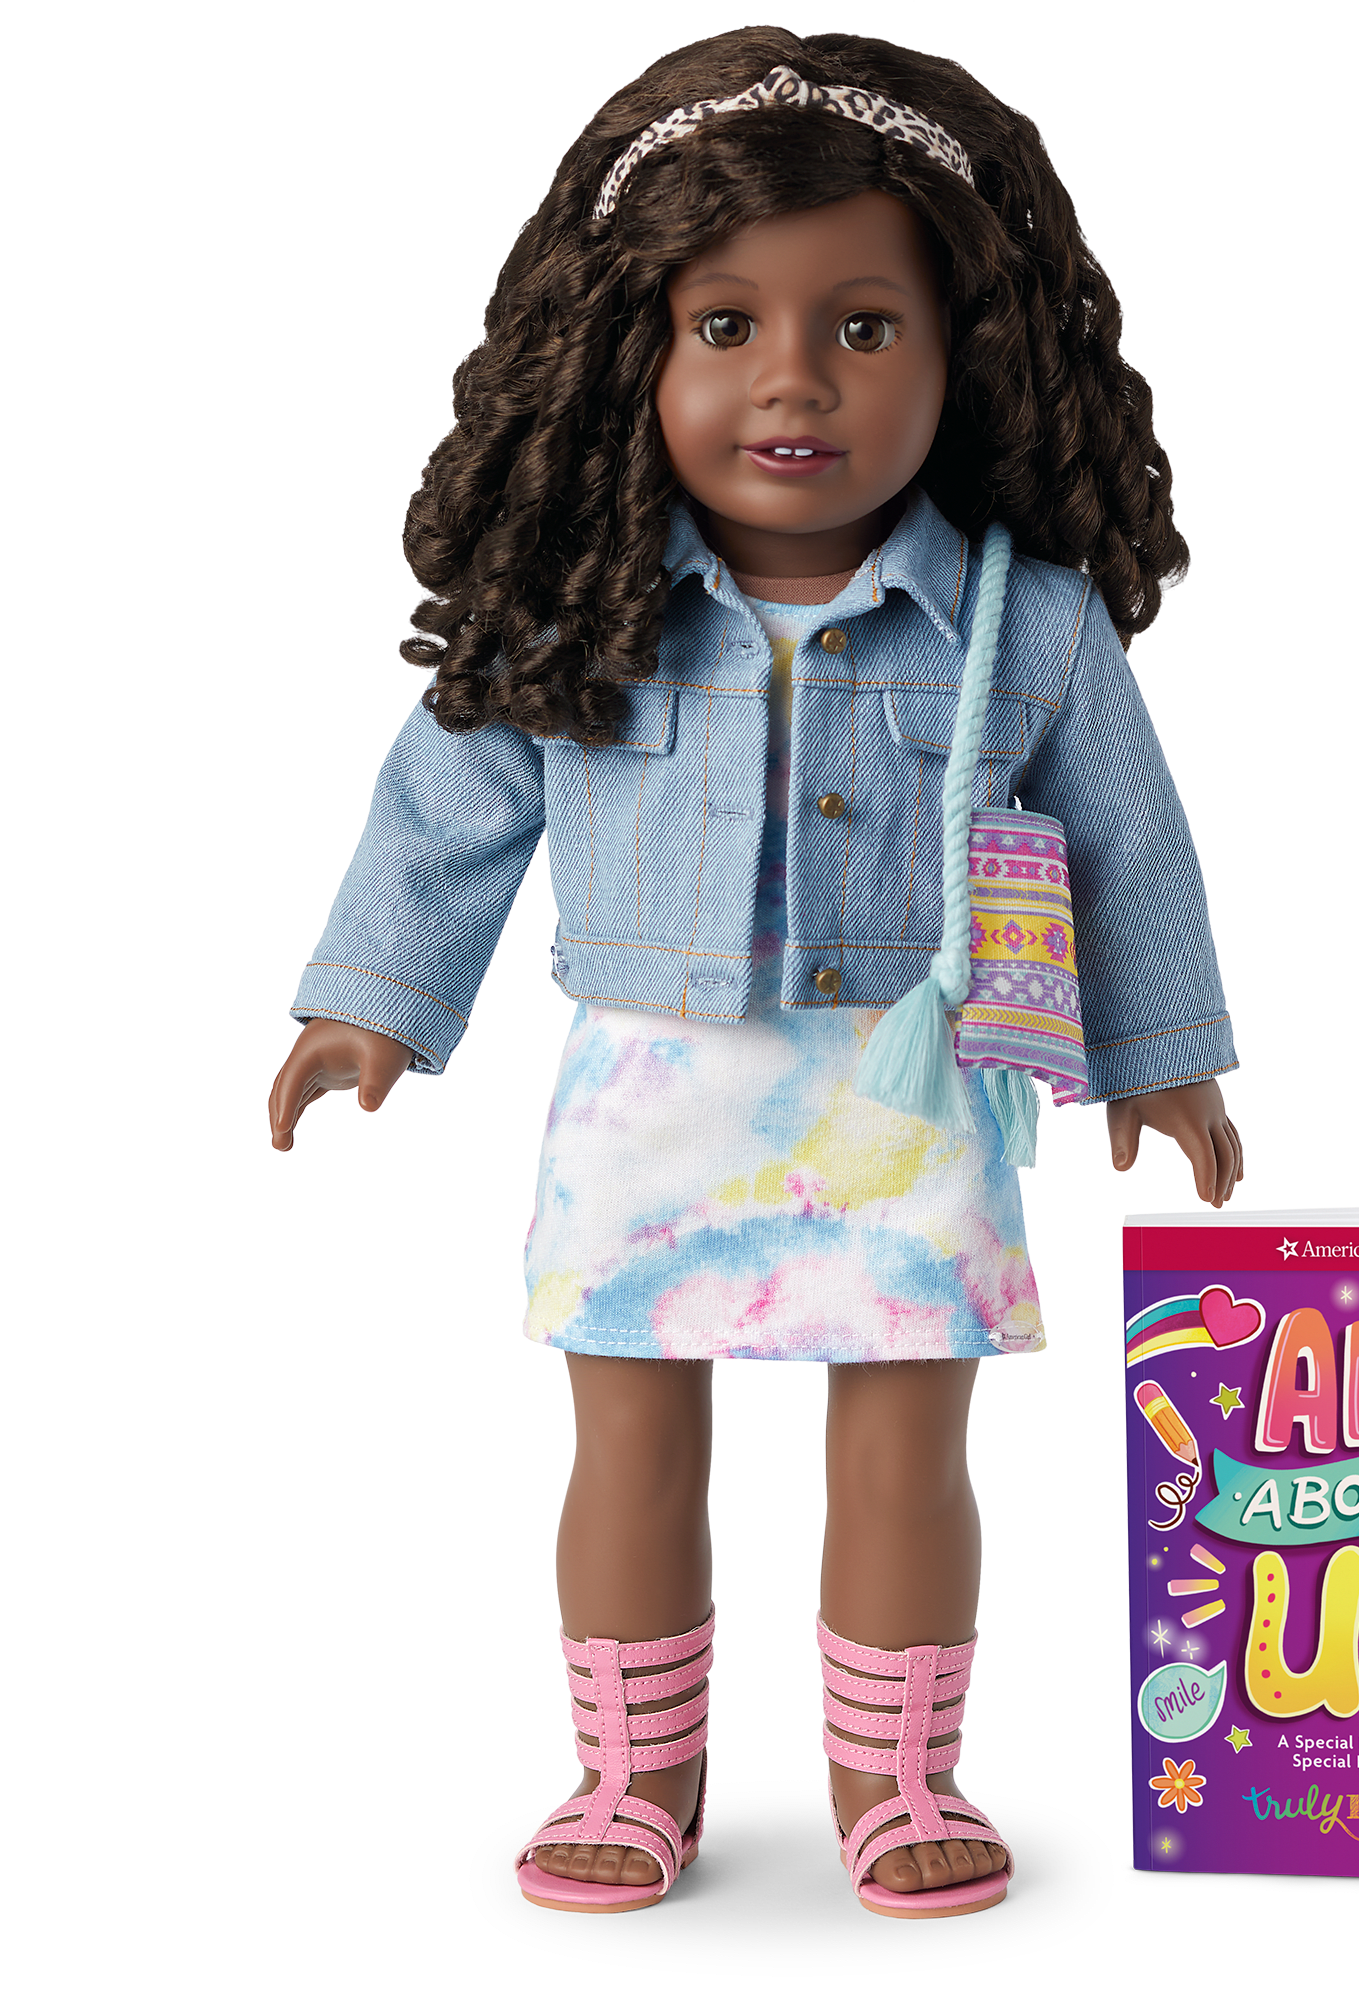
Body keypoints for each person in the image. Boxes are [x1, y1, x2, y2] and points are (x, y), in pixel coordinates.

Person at [269, 26, 1243, 1919]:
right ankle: (633, 1779)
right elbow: (447, 812)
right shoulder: (581, 606)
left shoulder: (1024, 626)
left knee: (907, 1451)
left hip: (911, 1095)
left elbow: (1130, 846)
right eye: (724, 327)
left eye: (863, 327)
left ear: (966, 352)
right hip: (651, 1094)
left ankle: (897, 1780)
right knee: (628, 1442)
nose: (793, 380)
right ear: (626, 350)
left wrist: (1161, 1051)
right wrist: (373, 996)